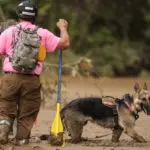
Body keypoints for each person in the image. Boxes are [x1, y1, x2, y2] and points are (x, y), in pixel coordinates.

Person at [0, 0, 70, 146]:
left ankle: (2, 132)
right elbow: (64, 44)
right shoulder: (42, 33)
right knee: (27, 112)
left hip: (9, 78)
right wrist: (63, 28)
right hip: (32, 80)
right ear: (35, 15)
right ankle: (22, 140)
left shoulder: (9, 31)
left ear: (19, 14)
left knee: (5, 108)